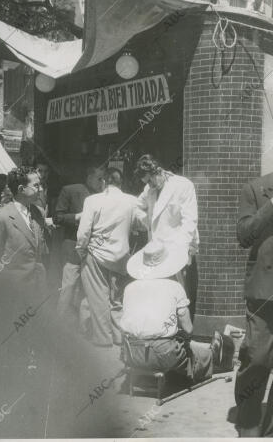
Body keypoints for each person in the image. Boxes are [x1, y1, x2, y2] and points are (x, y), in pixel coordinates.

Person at [0, 167, 50, 436]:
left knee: (31, 345)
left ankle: (27, 397)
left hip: (35, 291)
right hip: (11, 296)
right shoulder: (0, 218)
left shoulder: (36, 214)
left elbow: (41, 251)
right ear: (19, 189)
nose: (40, 188)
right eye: (35, 185)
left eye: (39, 184)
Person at [120, 240, 234, 380]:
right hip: (163, 354)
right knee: (188, 349)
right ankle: (212, 357)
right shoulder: (174, 287)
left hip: (130, 352)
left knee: (171, 340)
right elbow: (188, 328)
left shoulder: (129, 288)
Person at [234, 135, 273, 438]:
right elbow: (244, 235)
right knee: (258, 358)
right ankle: (248, 424)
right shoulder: (256, 188)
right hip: (265, 291)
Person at [76, 167, 138, 347]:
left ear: (104, 182)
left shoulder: (92, 200)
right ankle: (120, 336)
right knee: (117, 298)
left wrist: (81, 250)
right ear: (121, 183)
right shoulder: (131, 201)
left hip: (96, 254)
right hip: (121, 257)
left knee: (98, 297)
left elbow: (84, 232)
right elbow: (143, 224)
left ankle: (103, 339)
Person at [134, 154, 199, 320]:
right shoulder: (149, 189)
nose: (149, 186)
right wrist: (146, 221)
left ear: (158, 171)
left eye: (150, 181)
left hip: (178, 248)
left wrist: (181, 251)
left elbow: (189, 220)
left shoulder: (183, 185)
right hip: (157, 251)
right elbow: (137, 207)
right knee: (161, 294)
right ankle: (164, 333)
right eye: (146, 183)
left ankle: (183, 335)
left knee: (181, 296)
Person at [54, 162, 105, 325]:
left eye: (104, 179)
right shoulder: (70, 190)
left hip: (95, 248)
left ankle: (84, 327)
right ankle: (59, 324)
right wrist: (78, 216)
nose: (102, 183)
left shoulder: (104, 195)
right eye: (99, 178)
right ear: (89, 177)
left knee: (88, 289)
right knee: (69, 286)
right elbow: (57, 218)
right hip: (73, 246)